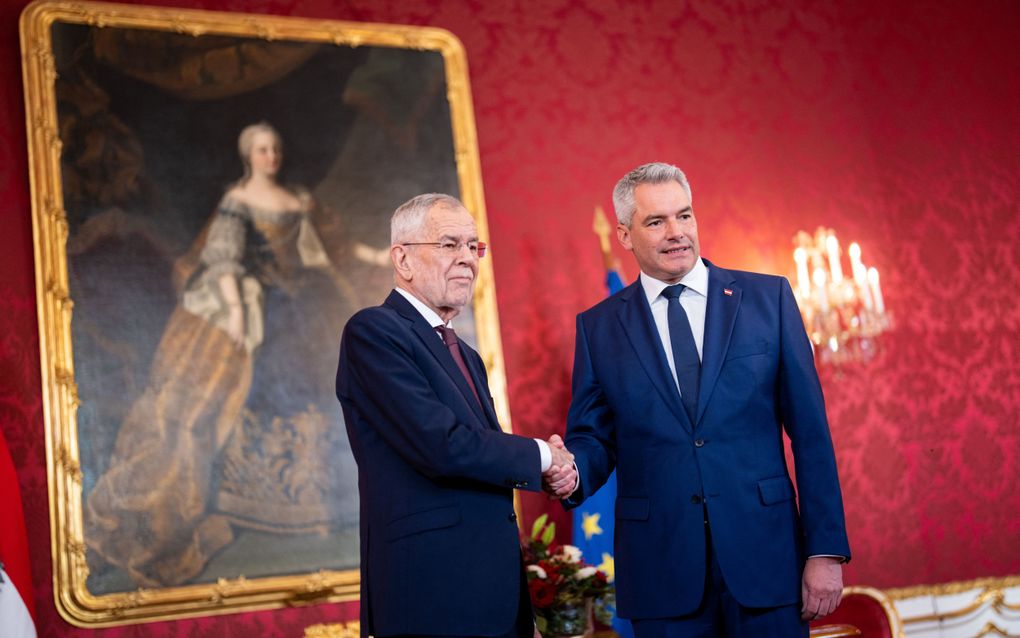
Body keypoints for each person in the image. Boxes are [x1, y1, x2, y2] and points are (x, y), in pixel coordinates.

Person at [554, 162, 850, 637]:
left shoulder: (766, 299)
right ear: (625, 235)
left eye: (684, 216)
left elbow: (812, 434)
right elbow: (594, 438)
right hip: (661, 572)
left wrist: (825, 550)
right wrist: (567, 470)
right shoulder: (599, 327)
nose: (677, 233)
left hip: (768, 562)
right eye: (656, 222)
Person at [86, 122, 360, 586]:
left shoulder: (296, 201)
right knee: (250, 388)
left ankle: (318, 503)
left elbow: (317, 254)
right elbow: (224, 259)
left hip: (299, 307)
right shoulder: (236, 203)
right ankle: (254, 500)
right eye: (261, 150)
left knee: (323, 384)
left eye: (274, 148)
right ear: (247, 155)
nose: (270, 156)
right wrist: (235, 311)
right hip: (260, 310)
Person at [336, 193, 574, 638]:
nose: (467, 258)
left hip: (496, 596)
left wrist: (545, 471)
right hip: (430, 596)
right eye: (450, 245)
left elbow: (484, 460)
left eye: (474, 246)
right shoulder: (373, 332)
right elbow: (441, 445)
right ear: (402, 259)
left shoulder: (464, 352)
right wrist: (543, 455)